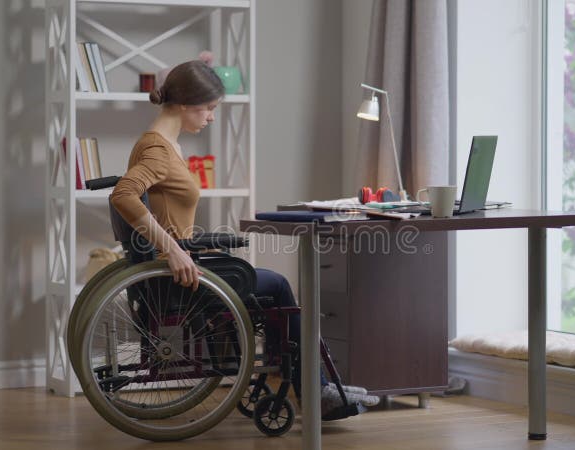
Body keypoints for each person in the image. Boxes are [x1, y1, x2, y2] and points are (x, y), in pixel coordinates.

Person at [109, 60, 378, 417]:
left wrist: (187, 246)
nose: (211, 117)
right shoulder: (159, 150)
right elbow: (123, 195)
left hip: (182, 265)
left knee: (267, 285)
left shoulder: (160, 143)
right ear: (187, 103)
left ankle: (319, 387)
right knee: (278, 286)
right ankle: (318, 392)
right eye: (209, 109)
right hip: (178, 275)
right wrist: (173, 250)